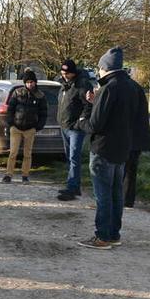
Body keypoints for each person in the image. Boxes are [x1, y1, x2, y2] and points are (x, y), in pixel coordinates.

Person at [74, 47, 139, 250]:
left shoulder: (108, 89)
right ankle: (113, 234)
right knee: (116, 194)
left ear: (104, 67)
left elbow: (96, 124)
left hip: (103, 148)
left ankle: (102, 236)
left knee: (103, 195)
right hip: (123, 148)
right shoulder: (132, 86)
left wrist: (82, 119)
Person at [56, 59, 93, 201]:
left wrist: (81, 121)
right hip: (64, 126)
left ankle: (72, 188)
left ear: (73, 72)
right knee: (69, 157)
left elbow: (88, 105)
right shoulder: (64, 85)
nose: (65, 75)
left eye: (67, 73)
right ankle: (73, 185)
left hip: (75, 129)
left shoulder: (82, 85)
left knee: (74, 157)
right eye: (63, 72)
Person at [2, 68, 47, 184]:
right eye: (27, 82)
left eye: (31, 82)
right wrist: (11, 123)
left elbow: (43, 113)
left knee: (28, 154)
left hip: (30, 128)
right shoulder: (17, 92)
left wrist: (38, 126)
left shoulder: (40, 95)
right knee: (13, 152)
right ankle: (8, 175)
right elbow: (10, 109)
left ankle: (25, 175)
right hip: (16, 127)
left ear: (35, 82)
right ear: (24, 83)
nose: (30, 84)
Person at [124, 78, 150, 208]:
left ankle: (122, 199)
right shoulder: (136, 88)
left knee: (123, 169)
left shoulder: (121, 88)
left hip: (127, 136)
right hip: (137, 136)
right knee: (131, 170)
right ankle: (128, 200)